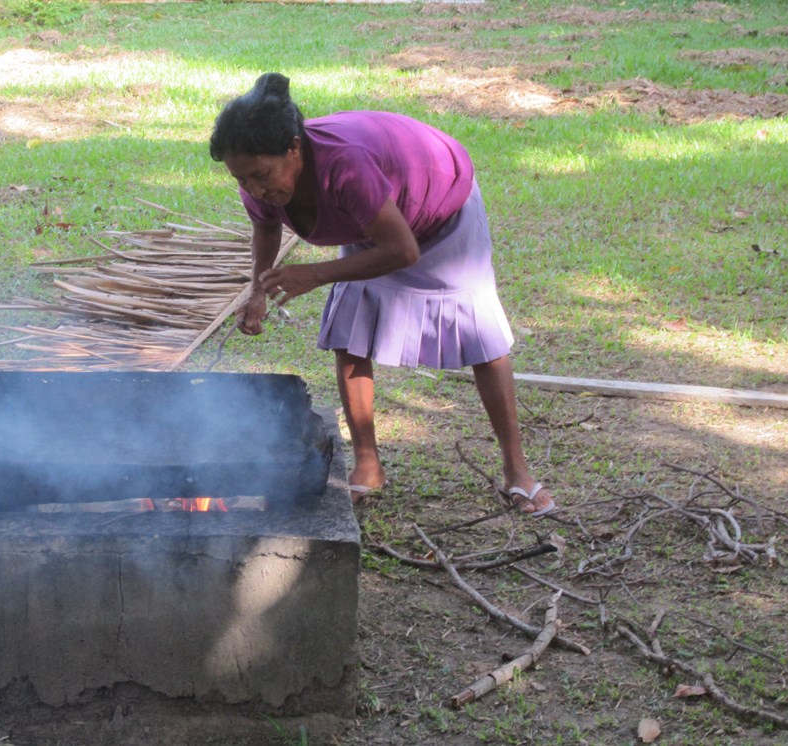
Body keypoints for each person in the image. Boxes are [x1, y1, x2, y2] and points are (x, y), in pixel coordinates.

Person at [208, 72, 556, 516]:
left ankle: (517, 471)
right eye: (241, 179)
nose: (255, 189)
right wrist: (257, 289)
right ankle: (368, 466)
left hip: (439, 206)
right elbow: (265, 225)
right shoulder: (261, 183)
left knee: (479, 337)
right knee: (350, 335)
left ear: (294, 147)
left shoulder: (344, 165)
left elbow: (402, 250)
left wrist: (316, 274)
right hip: (372, 220)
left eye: (260, 175)